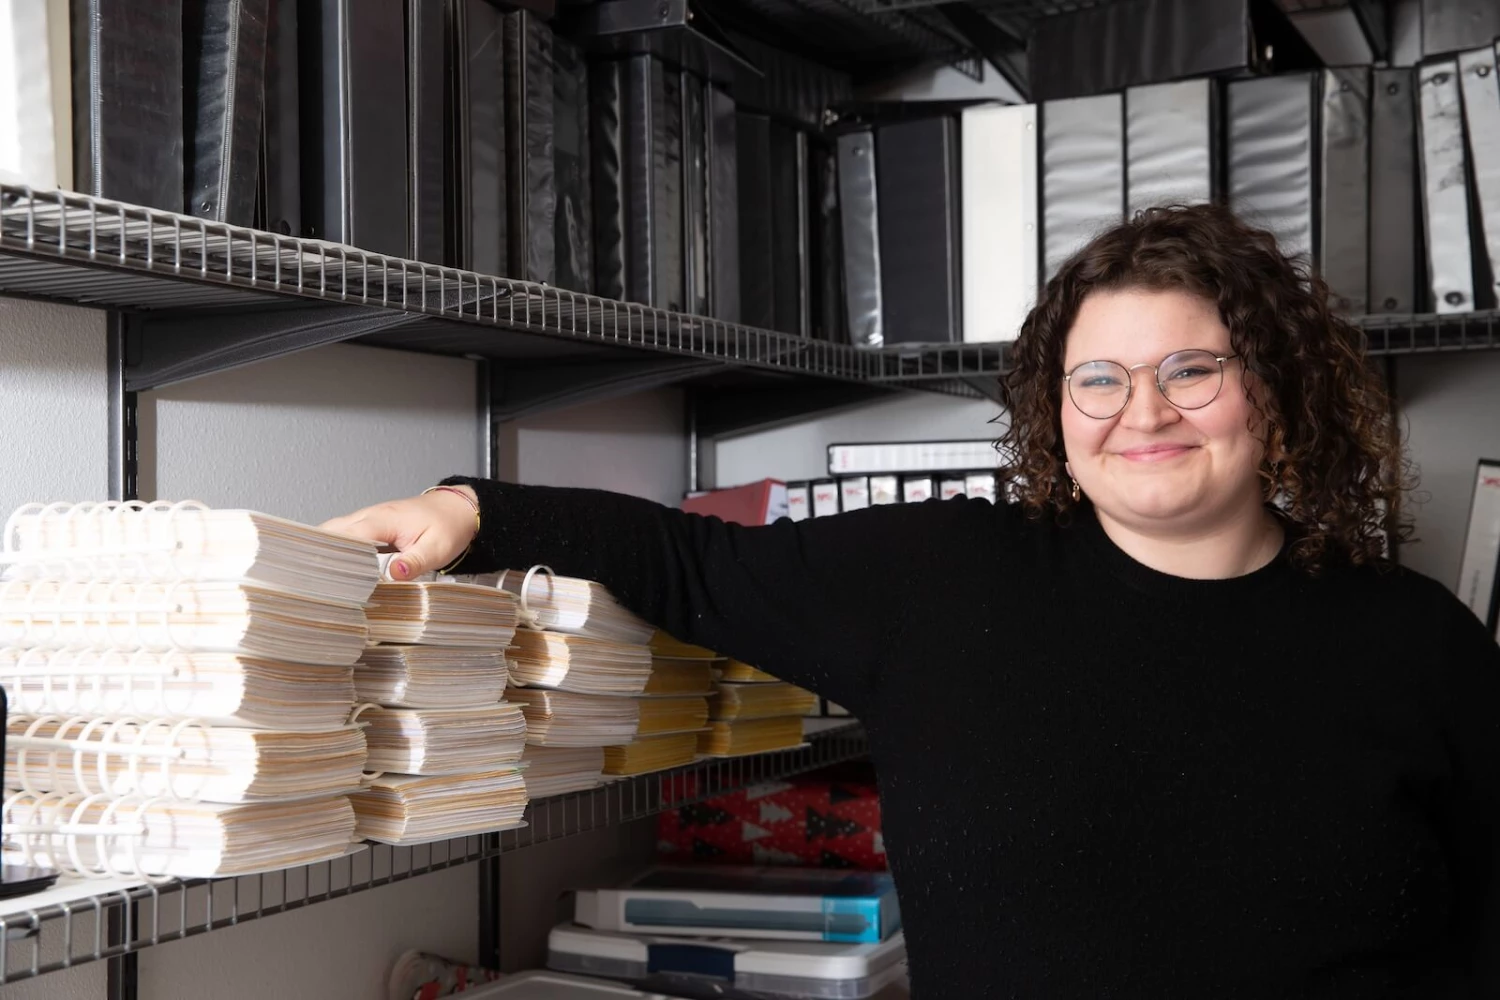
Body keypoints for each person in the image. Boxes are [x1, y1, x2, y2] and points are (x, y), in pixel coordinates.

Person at [324, 203, 1500, 998]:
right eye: (1099, 377)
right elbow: (690, 561)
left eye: (1193, 369)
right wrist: (474, 508)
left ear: (1277, 395)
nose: (1142, 412)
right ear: (1055, 408)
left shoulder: (1418, 640)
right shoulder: (939, 579)